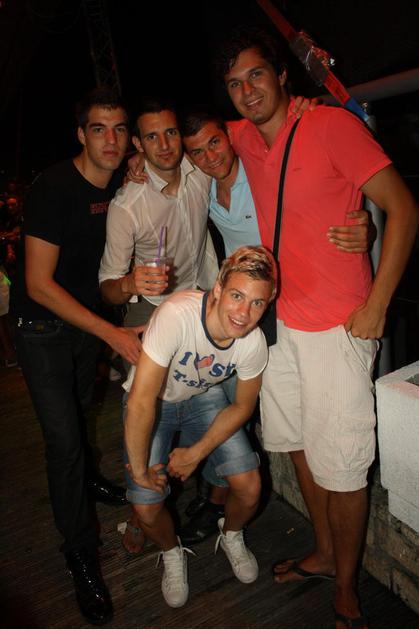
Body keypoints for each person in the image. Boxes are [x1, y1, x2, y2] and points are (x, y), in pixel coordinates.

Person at [216, 26, 419, 629]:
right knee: (297, 444)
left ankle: (349, 587)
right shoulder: (243, 137)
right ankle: (326, 554)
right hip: (279, 325)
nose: (248, 91)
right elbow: (189, 139)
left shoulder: (330, 126)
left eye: (257, 75)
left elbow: (404, 208)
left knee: (346, 466)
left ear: (283, 76)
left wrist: (378, 303)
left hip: (338, 326)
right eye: (235, 83)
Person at [177, 108, 373, 546]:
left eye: (215, 143)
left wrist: (365, 224)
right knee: (284, 429)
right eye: (198, 152)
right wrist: (139, 161)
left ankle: (222, 500)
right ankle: (225, 499)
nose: (210, 156)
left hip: (305, 302)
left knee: (319, 437)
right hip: (254, 315)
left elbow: (286, 130)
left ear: (229, 136)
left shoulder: (255, 168)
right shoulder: (202, 184)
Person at [10, 87, 143, 626]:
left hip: (84, 328)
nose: (110, 139)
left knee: (82, 417)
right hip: (42, 330)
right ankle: (81, 553)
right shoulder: (53, 187)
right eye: (98, 129)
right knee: (63, 442)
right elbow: (38, 285)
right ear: (80, 135)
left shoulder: (121, 184)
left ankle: (88, 478)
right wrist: (112, 334)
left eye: (119, 129)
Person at [124, 245, 276, 608]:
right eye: (237, 296)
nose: (244, 313)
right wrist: (140, 470)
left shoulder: (254, 343)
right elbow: (141, 401)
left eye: (257, 303)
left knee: (250, 487)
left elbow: (242, 406)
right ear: (218, 289)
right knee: (146, 507)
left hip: (202, 399)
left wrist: (196, 453)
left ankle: (232, 533)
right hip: (154, 402)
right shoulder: (177, 314)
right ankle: (171, 550)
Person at [98, 97, 219, 553]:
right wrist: (131, 281)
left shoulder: (200, 171)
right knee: (147, 416)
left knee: (212, 406)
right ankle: (142, 505)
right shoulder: (127, 204)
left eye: (170, 133)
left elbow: (232, 138)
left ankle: (210, 500)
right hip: (148, 311)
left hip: (200, 304)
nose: (164, 145)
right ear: (138, 144)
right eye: (151, 137)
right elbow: (107, 288)